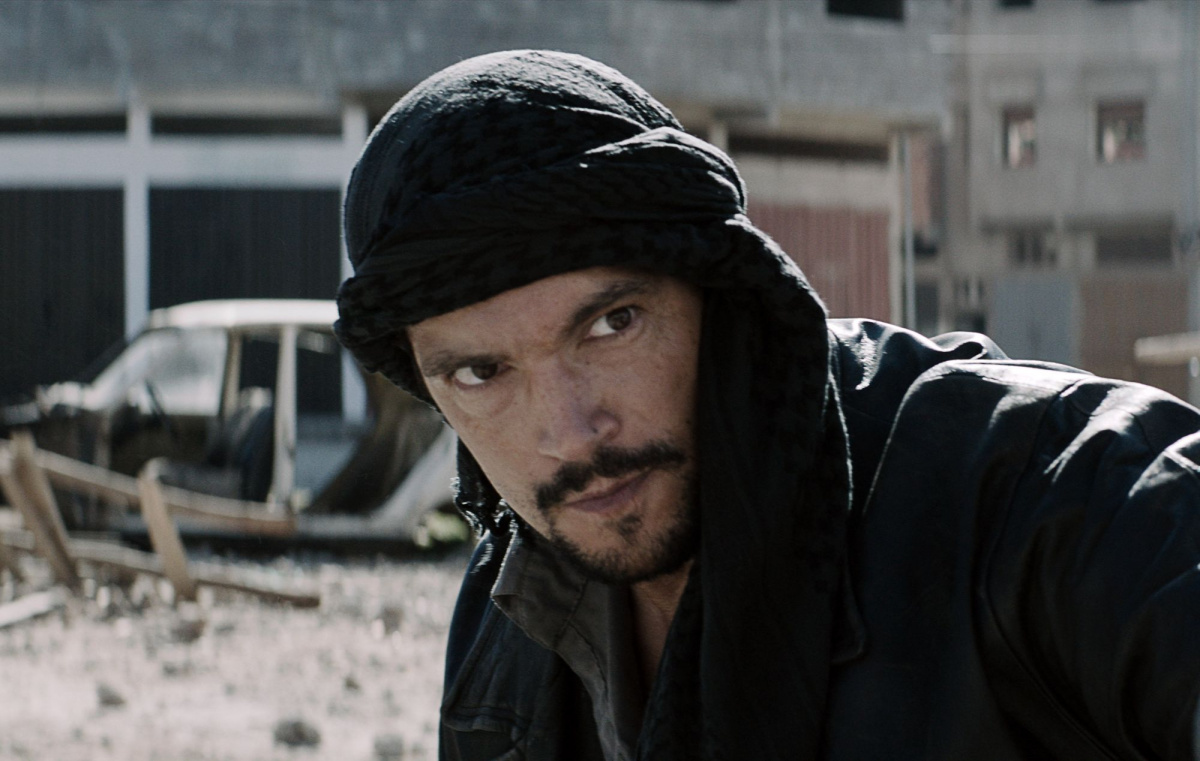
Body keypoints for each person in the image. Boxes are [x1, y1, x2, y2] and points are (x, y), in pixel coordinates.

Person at [335, 50, 1200, 761]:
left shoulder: (1043, 494)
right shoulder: (509, 608)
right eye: (481, 373)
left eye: (612, 323)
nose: (568, 432)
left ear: (723, 293)